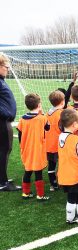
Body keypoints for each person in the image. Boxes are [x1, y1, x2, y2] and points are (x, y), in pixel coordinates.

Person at [17, 94, 50, 200]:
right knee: (38, 172)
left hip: (26, 149)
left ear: (26, 106)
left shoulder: (22, 119)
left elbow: (20, 134)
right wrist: (42, 112)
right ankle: (40, 195)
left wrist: (22, 145)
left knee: (27, 171)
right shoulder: (42, 118)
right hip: (38, 149)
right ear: (39, 104)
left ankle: (25, 193)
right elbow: (48, 128)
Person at [57, 109, 78, 226]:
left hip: (64, 173)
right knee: (76, 197)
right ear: (75, 124)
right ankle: (73, 218)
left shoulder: (60, 136)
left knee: (75, 196)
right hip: (75, 174)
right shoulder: (76, 140)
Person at [0, 52, 21, 191]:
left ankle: (2, 177)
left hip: (4, 120)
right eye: (6, 66)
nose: (7, 69)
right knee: (4, 150)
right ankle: (2, 183)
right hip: (2, 121)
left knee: (4, 150)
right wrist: (5, 114)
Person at [46, 90, 65, 191]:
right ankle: (62, 181)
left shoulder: (48, 113)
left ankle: (53, 185)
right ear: (62, 102)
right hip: (59, 144)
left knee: (51, 165)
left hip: (48, 144)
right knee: (62, 163)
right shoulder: (61, 114)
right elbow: (63, 128)